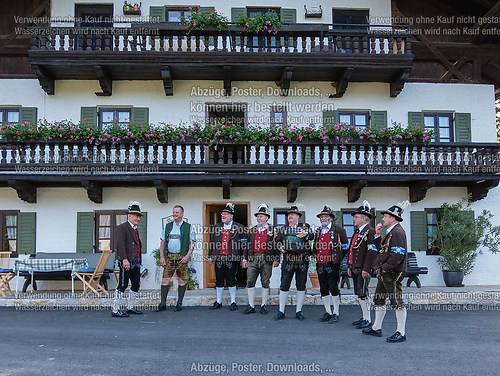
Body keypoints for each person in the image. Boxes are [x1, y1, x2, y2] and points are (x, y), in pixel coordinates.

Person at [362, 201, 410, 343]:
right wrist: (377, 235)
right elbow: (381, 250)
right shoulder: (390, 232)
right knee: (379, 299)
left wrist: (385, 267)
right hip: (386, 272)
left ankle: (401, 332)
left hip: (393, 272)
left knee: (397, 301)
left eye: (385, 216)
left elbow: (398, 254)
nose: (383, 219)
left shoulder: (397, 232)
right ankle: (376, 328)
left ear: (393, 218)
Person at [274, 205, 314, 321]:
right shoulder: (283, 229)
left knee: (301, 285)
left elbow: (312, 235)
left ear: (298, 217)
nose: (290, 216)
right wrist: (280, 247)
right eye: (289, 215)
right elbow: (277, 242)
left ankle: (299, 311)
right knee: (284, 285)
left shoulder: (305, 227)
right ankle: (281, 311)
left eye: (293, 214)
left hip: (302, 260)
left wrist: (306, 234)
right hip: (288, 260)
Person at [155, 205, 196, 313]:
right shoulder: (168, 226)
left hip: (182, 257)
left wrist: (187, 256)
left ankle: (179, 304)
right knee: (165, 280)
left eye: (177, 212)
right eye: (174, 212)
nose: (174, 214)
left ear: (182, 214)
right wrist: (162, 257)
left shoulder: (188, 227)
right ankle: (163, 304)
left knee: (181, 281)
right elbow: (162, 242)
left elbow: (192, 243)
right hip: (169, 256)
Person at [208, 202, 247, 311]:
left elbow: (244, 244)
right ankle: (219, 301)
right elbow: (212, 243)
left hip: (232, 257)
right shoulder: (217, 227)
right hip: (219, 257)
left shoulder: (239, 227)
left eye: (226, 214)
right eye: (222, 214)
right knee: (219, 280)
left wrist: (244, 258)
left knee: (231, 279)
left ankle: (233, 302)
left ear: (231, 216)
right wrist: (210, 256)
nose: (223, 216)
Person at [241, 204, 279, 315]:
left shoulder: (273, 230)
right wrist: (244, 258)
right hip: (253, 258)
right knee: (250, 281)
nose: (259, 218)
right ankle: (251, 306)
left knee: (265, 282)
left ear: (267, 217)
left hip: (267, 258)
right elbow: (247, 245)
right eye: (258, 216)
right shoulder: (252, 230)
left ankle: (263, 305)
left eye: (261, 216)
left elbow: (277, 245)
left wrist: (277, 259)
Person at [313, 205, 348, 324]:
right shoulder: (318, 231)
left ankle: (336, 312)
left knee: (333, 287)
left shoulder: (339, 230)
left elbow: (345, 247)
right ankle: (328, 311)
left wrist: (337, 259)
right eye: (322, 216)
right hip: (320, 263)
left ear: (331, 218)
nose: (323, 218)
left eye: (326, 216)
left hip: (332, 264)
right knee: (323, 288)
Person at [347, 200, 377, 329]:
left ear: (364, 218)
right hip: (355, 267)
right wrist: (349, 266)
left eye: (356, 216)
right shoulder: (357, 232)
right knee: (359, 293)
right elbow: (352, 250)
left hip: (363, 268)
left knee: (363, 294)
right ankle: (364, 317)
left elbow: (371, 252)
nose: (354, 218)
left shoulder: (370, 231)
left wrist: (367, 269)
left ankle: (368, 319)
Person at [111, 201, 144, 318]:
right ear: (129, 215)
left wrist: (139, 262)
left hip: (135, 262)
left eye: (139, 216)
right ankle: (115, 309)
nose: (138, 218)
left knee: (136, 285)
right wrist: (124, 259)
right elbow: (120, 245)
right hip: (127, 262)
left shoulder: (135, 229)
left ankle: (130, 307)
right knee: (123, 285)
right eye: (136, 216)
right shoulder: (122, 227)